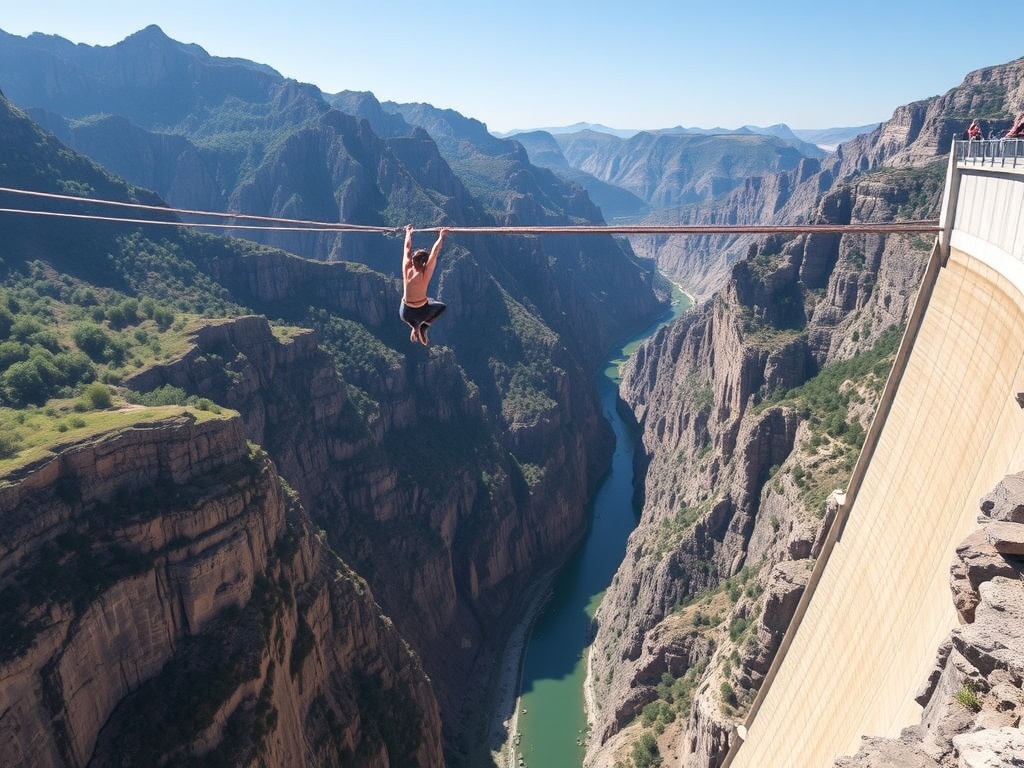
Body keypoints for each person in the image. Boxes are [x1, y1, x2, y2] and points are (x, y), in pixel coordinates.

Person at [400, 224, 449, 345]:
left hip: (405, 313)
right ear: (424, 264)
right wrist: (441, 236)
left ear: (413, 260)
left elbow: (407, 248)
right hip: (420, 312)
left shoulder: (406, 268)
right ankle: (423, 326)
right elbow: (435, 252)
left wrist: (408, 233)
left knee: (426, 300)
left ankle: (415, 325)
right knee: (442, 307)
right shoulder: (425, 273)